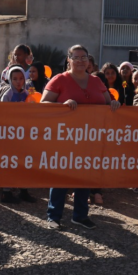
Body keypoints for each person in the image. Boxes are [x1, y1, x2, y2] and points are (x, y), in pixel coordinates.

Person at [42, 45, 119, 222]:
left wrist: (115, 104)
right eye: (76, 57)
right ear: (68, 60)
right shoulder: (59, 80)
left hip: (91, 138)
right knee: (61, 177)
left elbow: (109, 102)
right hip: (65, 138)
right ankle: (54, 216)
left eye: (84, 57)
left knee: (85, 177)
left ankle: (80, 216)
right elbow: (43, 104)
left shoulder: (96, 81)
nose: (80, 61)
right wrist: (62, 105)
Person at [0, 66, 36, 204]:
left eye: (21, 78)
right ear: (9, 79)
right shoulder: (7, 95)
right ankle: (6, 193)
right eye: (15, 79)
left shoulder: (28, 94)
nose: (18, 82)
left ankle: (24, 191)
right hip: (11, 136)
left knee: (25, 163)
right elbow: (3, 115)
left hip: (25, 135)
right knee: (9, 163)